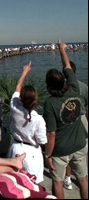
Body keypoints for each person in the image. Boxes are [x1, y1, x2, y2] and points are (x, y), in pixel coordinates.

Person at [43, 40, 88, 199]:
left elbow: (51, 134)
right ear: (64, 80)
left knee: (58, 183)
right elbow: (67, 66)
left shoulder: (49, 103)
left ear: (48, 86)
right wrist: (62, 49)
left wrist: (48, 155)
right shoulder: (74, 87)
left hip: (61, 150)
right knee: (83, 180)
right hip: (80, 144)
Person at [7, 62, 47, 183]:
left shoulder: (14, 106)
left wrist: (24, 72)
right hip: (32, 154)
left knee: (15, 183)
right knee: (32, 185)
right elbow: (41, 141)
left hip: (15, 148)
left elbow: (17, 88)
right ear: (35, 100)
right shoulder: (38, 119)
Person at [62, 61, 88, 191]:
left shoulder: (63, 88)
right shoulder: (83, 86)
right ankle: (84, 175)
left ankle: (67, 178)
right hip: (82, 117)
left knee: (68, 150)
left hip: (68, 119)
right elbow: (87, 106)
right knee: (84, 149)